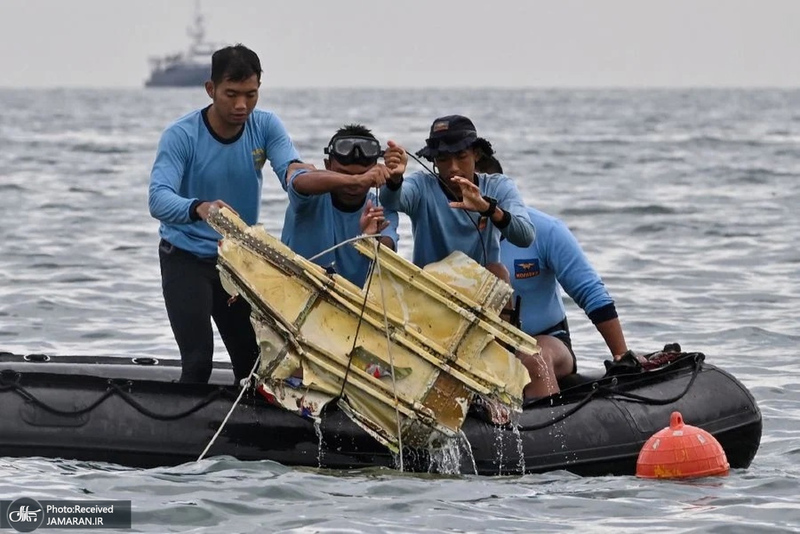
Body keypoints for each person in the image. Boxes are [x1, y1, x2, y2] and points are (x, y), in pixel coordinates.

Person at [148, 44, 309, 384]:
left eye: (250, 95)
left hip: (236, 263)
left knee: (255, 368)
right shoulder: (181, 135)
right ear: (211, 89)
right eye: (231, 94)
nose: (241, 106)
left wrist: (336, 179)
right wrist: (200, 208)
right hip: (185, 258)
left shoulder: (264, 126)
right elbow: (158, 200)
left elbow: (290, 171)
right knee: (198, 363)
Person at [479, 153, 629, 399]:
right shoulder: (452, 238)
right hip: (477, 346)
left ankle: (553, 432)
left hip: (546, 340)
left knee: (533, 360)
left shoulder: (546, 229)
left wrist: (621, 355)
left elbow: (590, 292)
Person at [380, 115, 534, 271]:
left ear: (476, 154)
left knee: (498, 271)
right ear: (434, 161)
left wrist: (488, 208)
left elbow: (525, 236)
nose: (453, 167)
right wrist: (395, 178)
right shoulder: (421, 186)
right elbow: (391, 201)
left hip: (482, 286)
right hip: (431, 286)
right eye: (443, 159)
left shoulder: (498, 186)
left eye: (461, 156)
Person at [281, 124, 400, 287]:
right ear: (327, 166)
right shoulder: (309, 196)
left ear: (375, 171)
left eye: (363, 174)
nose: (355, 185)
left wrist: (370, 241)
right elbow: (298, 181)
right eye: (344, 173)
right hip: (294, 290)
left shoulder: (380, 208)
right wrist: (358, 180)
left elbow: (389, 250)